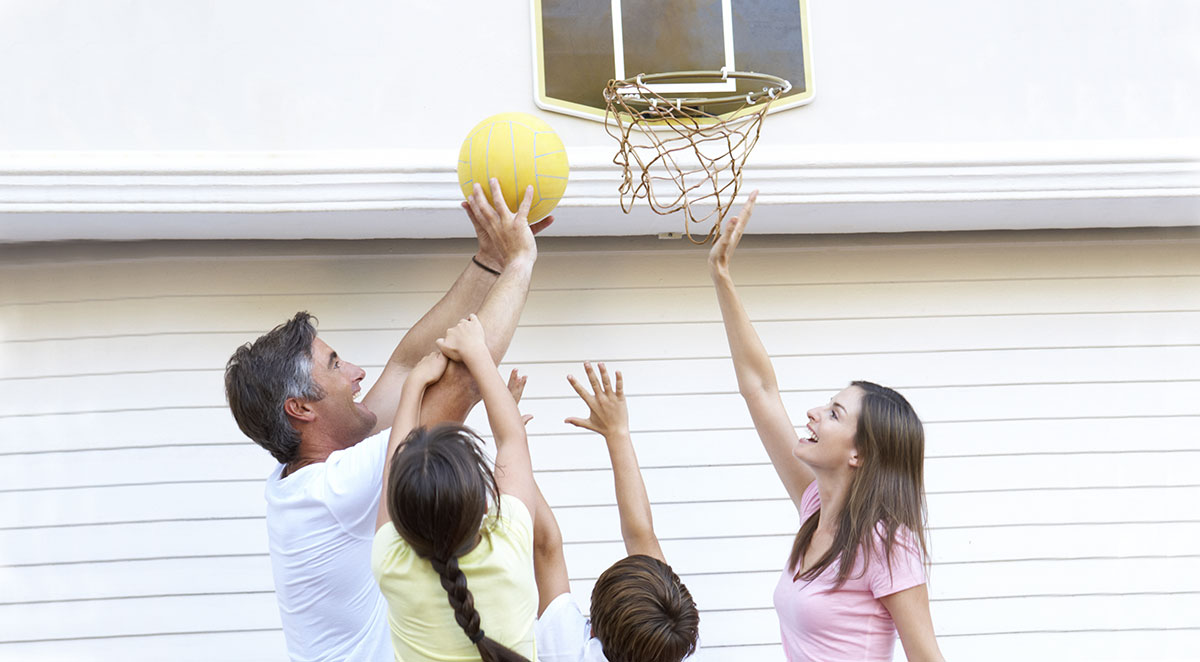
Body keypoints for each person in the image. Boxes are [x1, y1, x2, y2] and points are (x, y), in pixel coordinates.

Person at [223, 181, 549, 662]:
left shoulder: (305, 475)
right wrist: (521, 260)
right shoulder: (333, 490)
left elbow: (405, 365)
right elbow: (461, 385)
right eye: (335, 365)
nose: (357, 373)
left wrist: (489, 260)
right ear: (301, 409)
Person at [707, 191, 945, 662]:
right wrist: (721, 278)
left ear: (860, 453)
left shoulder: (887, 542)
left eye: (835, 412)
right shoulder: (816, 508)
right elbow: (759, 389)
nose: (813, 412)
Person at [372, 314, 541, 662]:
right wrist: (477, 352)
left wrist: (415, 385)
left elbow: (392, 473)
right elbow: (512, 438)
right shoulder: (509, 544)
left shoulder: (389, 563)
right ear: (484, 504)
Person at [532, 362, 700, 662]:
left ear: (592, 630)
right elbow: (640, 533)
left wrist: (512, 442)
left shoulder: (570, 649)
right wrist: (617, 433)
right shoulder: (667, 645)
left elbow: (547, 545)